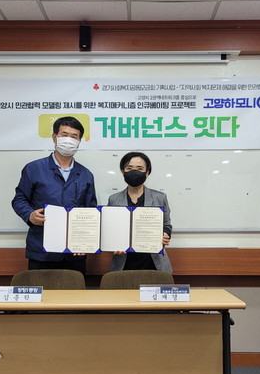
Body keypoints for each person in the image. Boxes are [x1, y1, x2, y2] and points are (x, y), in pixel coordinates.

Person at [12, 116, 97, 274]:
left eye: (74, 136)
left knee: (74, 290)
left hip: (74, 253)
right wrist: (29, 215)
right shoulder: (34, 168)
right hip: (41, 250)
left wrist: (85, 242)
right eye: (64, 134)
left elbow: (90, 211)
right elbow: (19, 199)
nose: (69, 140)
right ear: (54, 137)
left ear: (79, 141)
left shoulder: (86, 175)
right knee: (41, 289)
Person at [107, 152, 172, 272]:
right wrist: (112, 244)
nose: (134, 172)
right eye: (129, 168)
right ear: (122, 171)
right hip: (123, 263)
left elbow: (167, 224)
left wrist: (165, 234)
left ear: (147, 172)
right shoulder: (114, 199)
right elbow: (110, 229)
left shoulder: (160, 197)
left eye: (140, 168)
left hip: (154, 262)